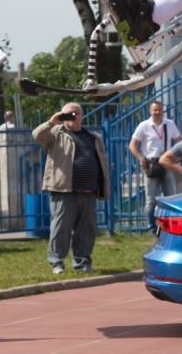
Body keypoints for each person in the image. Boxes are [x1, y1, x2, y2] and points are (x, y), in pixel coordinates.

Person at [32, 103, 110, 275]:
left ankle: (83, 263)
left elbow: (102, 163)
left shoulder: (94, 137)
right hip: (64, 191)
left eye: (77, 113)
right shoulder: (55, 134)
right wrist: (52, 122)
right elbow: (37, 135)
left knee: (86, 231)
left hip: (89, 191)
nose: (73, 117)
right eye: (68, 114)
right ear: (62, 116)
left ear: (82, 116)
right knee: (60, 228)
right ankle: (57, 263)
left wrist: (102, 185)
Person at [128, 100, 182, 235]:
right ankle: (151, 226)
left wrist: (177, 157)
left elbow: (179, 142)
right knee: (150, 198)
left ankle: (170, 225)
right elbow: (132, 145)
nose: (157, 112)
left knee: (170, 195)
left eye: (159, 109)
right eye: (154, 110)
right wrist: (141, 159)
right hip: (151, 163)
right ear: (150, 111)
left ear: (163, 110)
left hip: (167, 161)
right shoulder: (144, 125)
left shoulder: (169, 124)